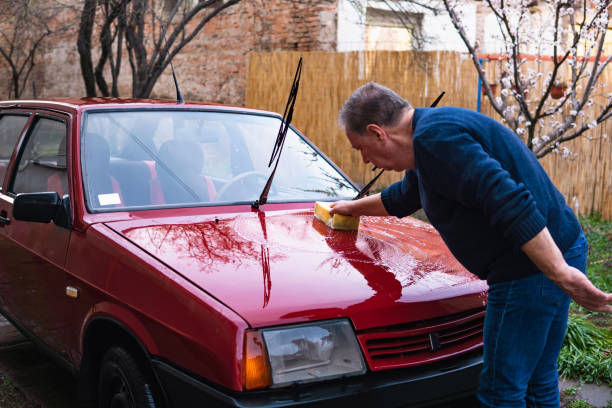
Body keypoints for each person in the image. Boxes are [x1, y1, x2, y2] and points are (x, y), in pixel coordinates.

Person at [329, 82, 612, 407]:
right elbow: (405, 196)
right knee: (537, 379)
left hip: (530, 269)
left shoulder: (435, 141)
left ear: (378, 133)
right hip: (559, 247)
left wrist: (559, 273)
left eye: (360, 148)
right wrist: (350, 208)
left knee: (501, 390)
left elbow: (509, 201)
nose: (366, 160)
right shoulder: (432, 137)